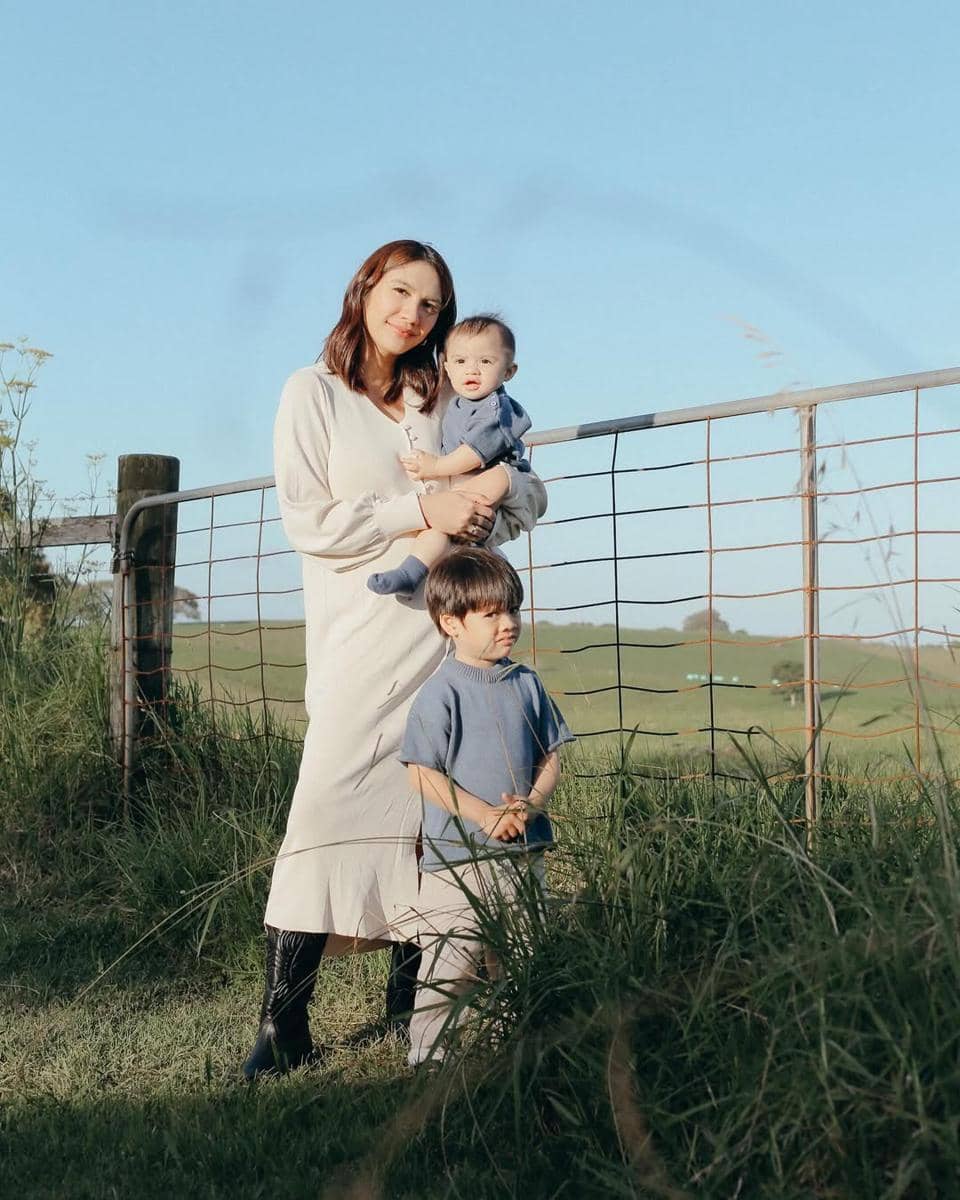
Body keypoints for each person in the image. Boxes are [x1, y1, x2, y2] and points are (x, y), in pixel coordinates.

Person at [242, 240, 548, 1080]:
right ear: (365, 286)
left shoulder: (446, 393)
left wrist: (490, 506)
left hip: (448, 638)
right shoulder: (312, 392)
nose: (412, 313)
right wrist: (420, 506)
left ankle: (411, 999)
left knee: (432, 817)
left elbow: (527, 488)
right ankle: (283, 1023)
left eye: (431, 304)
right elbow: (309, 521)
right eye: (401, 291)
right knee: (326, 808)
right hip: (360, 635)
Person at [399, 548, 574, 1067]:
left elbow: (551, 756)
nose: (509, 623)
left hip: (524, 852)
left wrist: (532, 804)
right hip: (459, 860)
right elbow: (421, 772)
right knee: (450, 959)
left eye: (512, 610)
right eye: (491, 614)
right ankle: (431, 1055)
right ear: (451, 623)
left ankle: (515, 1044)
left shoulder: (527, 683)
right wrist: (483, 815)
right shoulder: (441, 692)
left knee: (523, 953)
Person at [366, 315, 542, 599]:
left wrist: (435, 467)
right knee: (439, 527)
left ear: (509, 371)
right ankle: (411, 573)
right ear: (446, 367)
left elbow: (475, 452)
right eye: (460, 361)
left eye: (486, 361)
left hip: (495, 478)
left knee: (496, 479)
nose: (472, 369)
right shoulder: (458, 401)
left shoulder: (496, 408)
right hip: (466, 487)